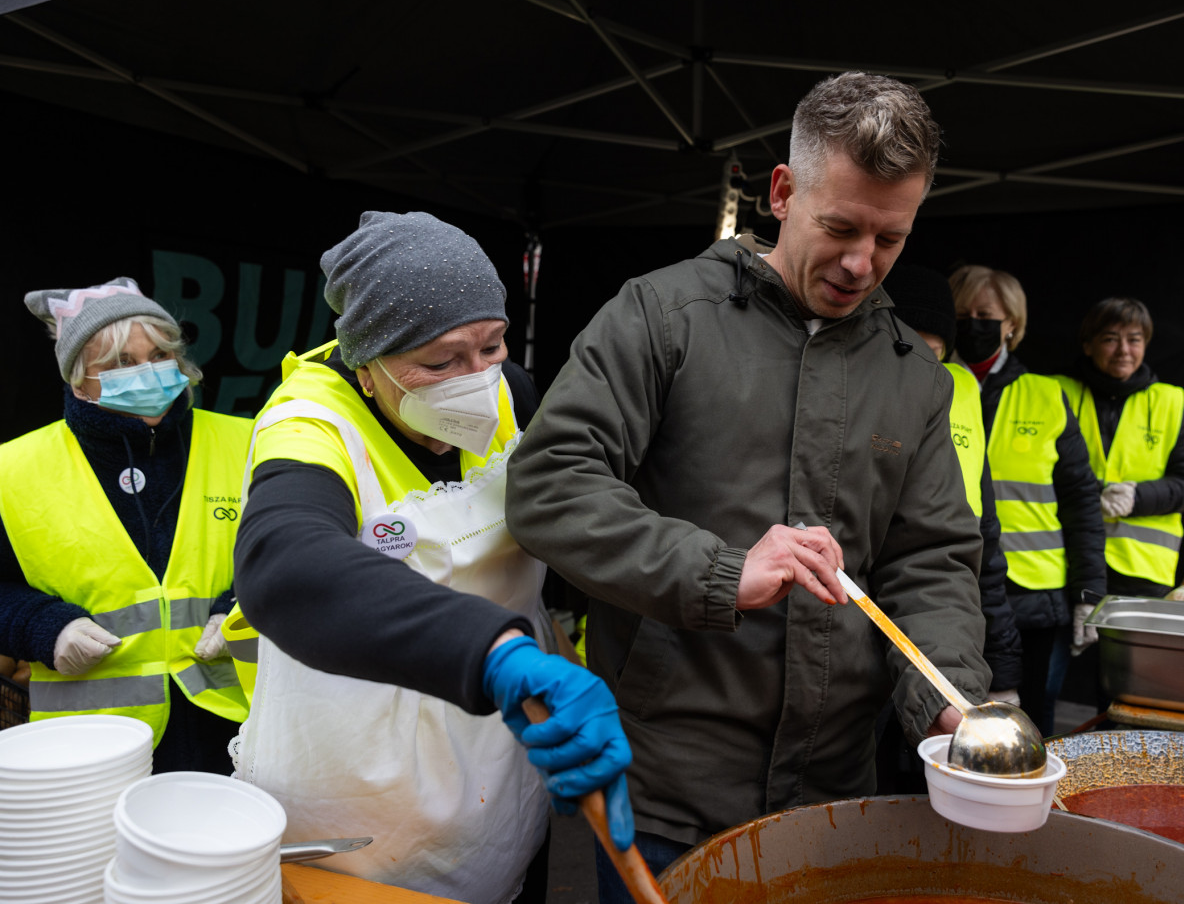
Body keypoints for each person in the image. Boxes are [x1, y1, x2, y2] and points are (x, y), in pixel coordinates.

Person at [505, 71, 992, 900]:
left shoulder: (915, 374)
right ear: (781, 191)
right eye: (839, 226)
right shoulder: (662, 316)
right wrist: (721, 570)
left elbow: (931, 560)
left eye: (890, 238)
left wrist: (946, 695)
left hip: (835, 797)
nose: (860, 263)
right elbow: (551, 484)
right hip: (667, 794)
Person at [229, 211, 633, 904]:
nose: (474, 379)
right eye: (439, 361)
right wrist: (497, 652)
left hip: (493, 762)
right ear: (365, 365)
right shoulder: (306, 423)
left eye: (492, 345)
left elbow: (579, 515)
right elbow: (285, 562)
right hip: (352, 785)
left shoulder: (514, 394)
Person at [0, 278, 249, 772]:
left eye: (160, 354)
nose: (149, 373)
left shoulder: (248, 441)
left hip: (234, 723)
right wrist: (42, 625)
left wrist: (243, 608)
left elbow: (295, 553)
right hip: (92, 739)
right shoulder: (13, 467)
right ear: (77, 379)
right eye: (120, 364)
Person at [875, 263, 1022, 794]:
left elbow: (971, 542)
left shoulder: (957, 396)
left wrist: (1002, 669)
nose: (920, 368)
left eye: (933, 354)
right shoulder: (855, 405)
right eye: (910, 347)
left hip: (930, 635)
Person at [948, 265, 1106, 736]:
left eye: (985, 314)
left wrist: (1088, 596)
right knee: (956, 724)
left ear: (1012, 323)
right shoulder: (930, 385)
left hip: (1036, 597)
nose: (973, 323)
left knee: (1035, 722)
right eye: (962, 314)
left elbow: (1082, 504)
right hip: (951, 586)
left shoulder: (1046, 396)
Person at [1055, 298, 1184, 600]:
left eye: (1134, 340)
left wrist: (1137, 497)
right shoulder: (1055, 393)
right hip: (1066, 561)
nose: (1124, 350)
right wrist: (1091, 493)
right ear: (1088, 345)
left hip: (1142, 571)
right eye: (1110, 339)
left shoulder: (1169, 401)